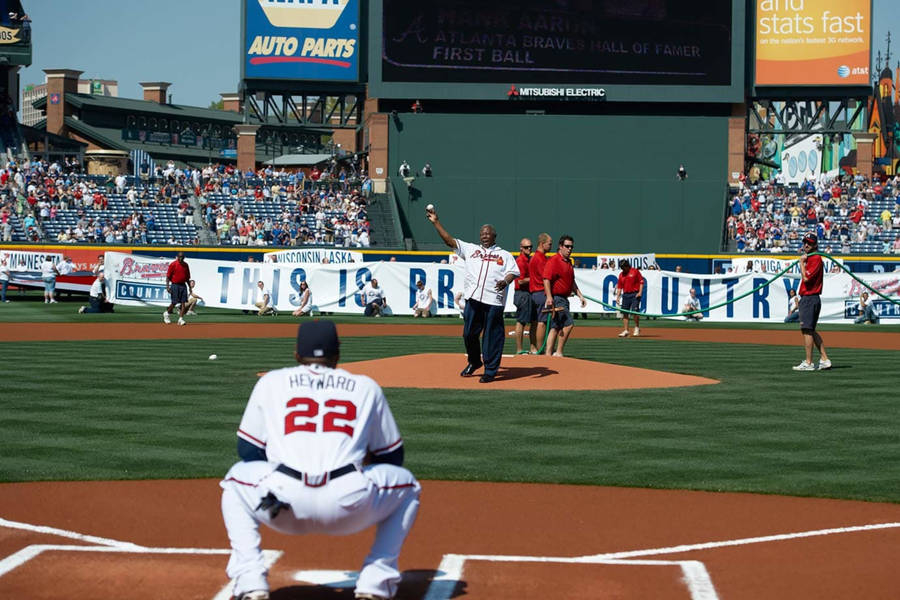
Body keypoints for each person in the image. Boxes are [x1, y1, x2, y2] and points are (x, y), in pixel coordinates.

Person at [220, 320, 421, 600]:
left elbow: (247, 450)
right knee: (408, 486)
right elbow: (393, 457)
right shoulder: (365, 387)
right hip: (349, 505)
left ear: (295, 354)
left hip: (282, 505)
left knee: (234, 481)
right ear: (338, 353)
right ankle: (376, 582)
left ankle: (250, 581)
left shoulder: (272, 381)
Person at [426, 206, 519, 383]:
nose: (484, 235)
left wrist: (506, 281)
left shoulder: (504, 255)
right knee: (468, 334)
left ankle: (490, 371)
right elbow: (449, 241)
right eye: (482, 233)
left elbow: (513, 272)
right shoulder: (470, 250)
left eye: (487, 233)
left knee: (492, 338)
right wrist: (436, 222)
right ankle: (475, 361)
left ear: (494, 236)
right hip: (474, 299)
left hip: (494, 301)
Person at [542, 235, 587, 357]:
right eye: (567, 246)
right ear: (560, 247)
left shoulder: (568, 263)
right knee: (569, 324)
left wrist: (580, 296)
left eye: (571, 247)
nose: (569, 249)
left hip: (564, 298)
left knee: (555, 327)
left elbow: (572, 282)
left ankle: (548, 354)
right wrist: (549, 297)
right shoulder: (554, 261)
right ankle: (559, 352)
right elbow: (546, 279)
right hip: (557, 298)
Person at [793, 232, 831, 370]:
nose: (806, 245)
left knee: (807, 330)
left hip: (810, 297)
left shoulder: (815, 259)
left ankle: (809, 362)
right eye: (804, 242)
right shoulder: (812, 258)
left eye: (809, 243)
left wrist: (801, 263)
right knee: (811, 330)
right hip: (809, 298)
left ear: (815, 244)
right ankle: (825, 359)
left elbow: (806, 278)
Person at [513, 238, 538, 354]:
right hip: (522, 293)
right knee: (521, 321)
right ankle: (519, 349)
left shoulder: (529, 260)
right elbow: (520, 281)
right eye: (527, 247)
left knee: (534, 321)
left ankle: (533, 347)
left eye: (531, 247)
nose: (529, 249)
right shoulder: (521, 261)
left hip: (529, 293)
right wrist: (534, 278)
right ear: (521, 248)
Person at [529, 233, 552, 352]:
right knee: (542, 323)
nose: (551, 246)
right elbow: (546, 277)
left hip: (534, 293)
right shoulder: (540, 258)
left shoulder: (534, 257)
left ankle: (534, 348)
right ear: (542, 244)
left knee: (535, 322)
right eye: (549, 244)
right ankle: (540, 350)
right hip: (541, 293)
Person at [615, 259, 643, 337]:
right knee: (625, 313)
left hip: (635, 294)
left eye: (623, 267)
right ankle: (626, 330)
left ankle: (637, 327)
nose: (622, 269)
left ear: (627, 266)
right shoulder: (621, 275)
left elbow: (641, 282)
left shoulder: (635, 271)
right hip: (626, 295)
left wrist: (640, 292)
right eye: (621, 267)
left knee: (635, 311)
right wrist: (618, 297)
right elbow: (620, 287)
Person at [164, 251, 191, 325]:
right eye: (180, 257)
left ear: (184, 257)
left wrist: (190, 287)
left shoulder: (186, 265)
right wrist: (167, 287)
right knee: (174, 302)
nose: (181, 258)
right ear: (177, 257)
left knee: (183, 303)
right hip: (175, 285)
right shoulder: (173, 264)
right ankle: (166, 314)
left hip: (183, 285)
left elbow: (187, 278)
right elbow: (168, 277)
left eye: (182, 257)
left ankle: (181, 319)